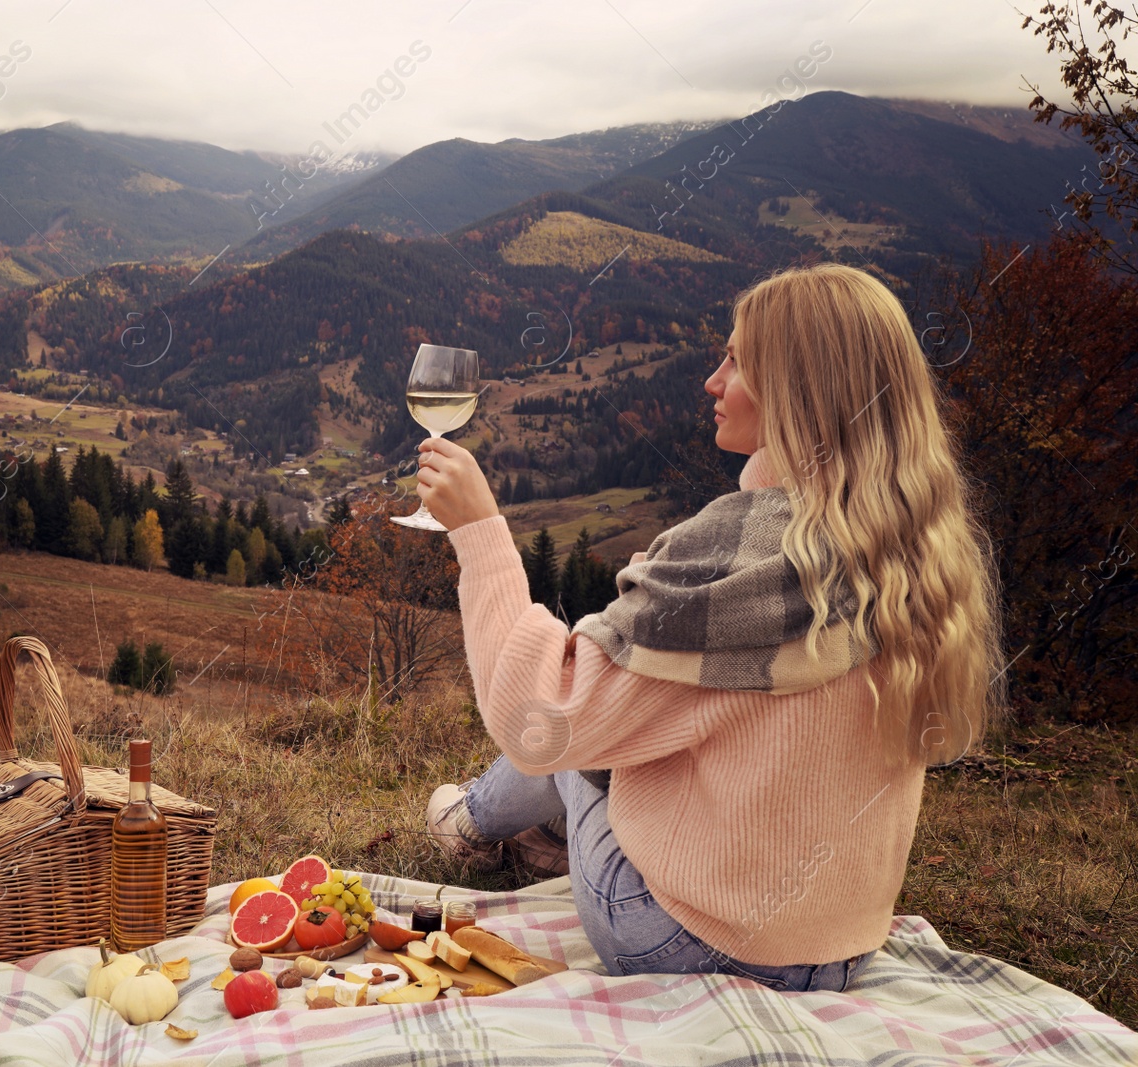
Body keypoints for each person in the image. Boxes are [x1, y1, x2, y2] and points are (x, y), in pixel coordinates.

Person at [415, 263, 1007, 993]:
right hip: (841, 946)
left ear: (800, 391)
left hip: (676, 940)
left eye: (737, 361)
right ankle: (512, 827)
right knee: (632, 701)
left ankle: (473, 822)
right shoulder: (911, 541)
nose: (712, 381)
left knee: (579, 724)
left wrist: (480, 530)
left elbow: (540, 717)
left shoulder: (745, 557)